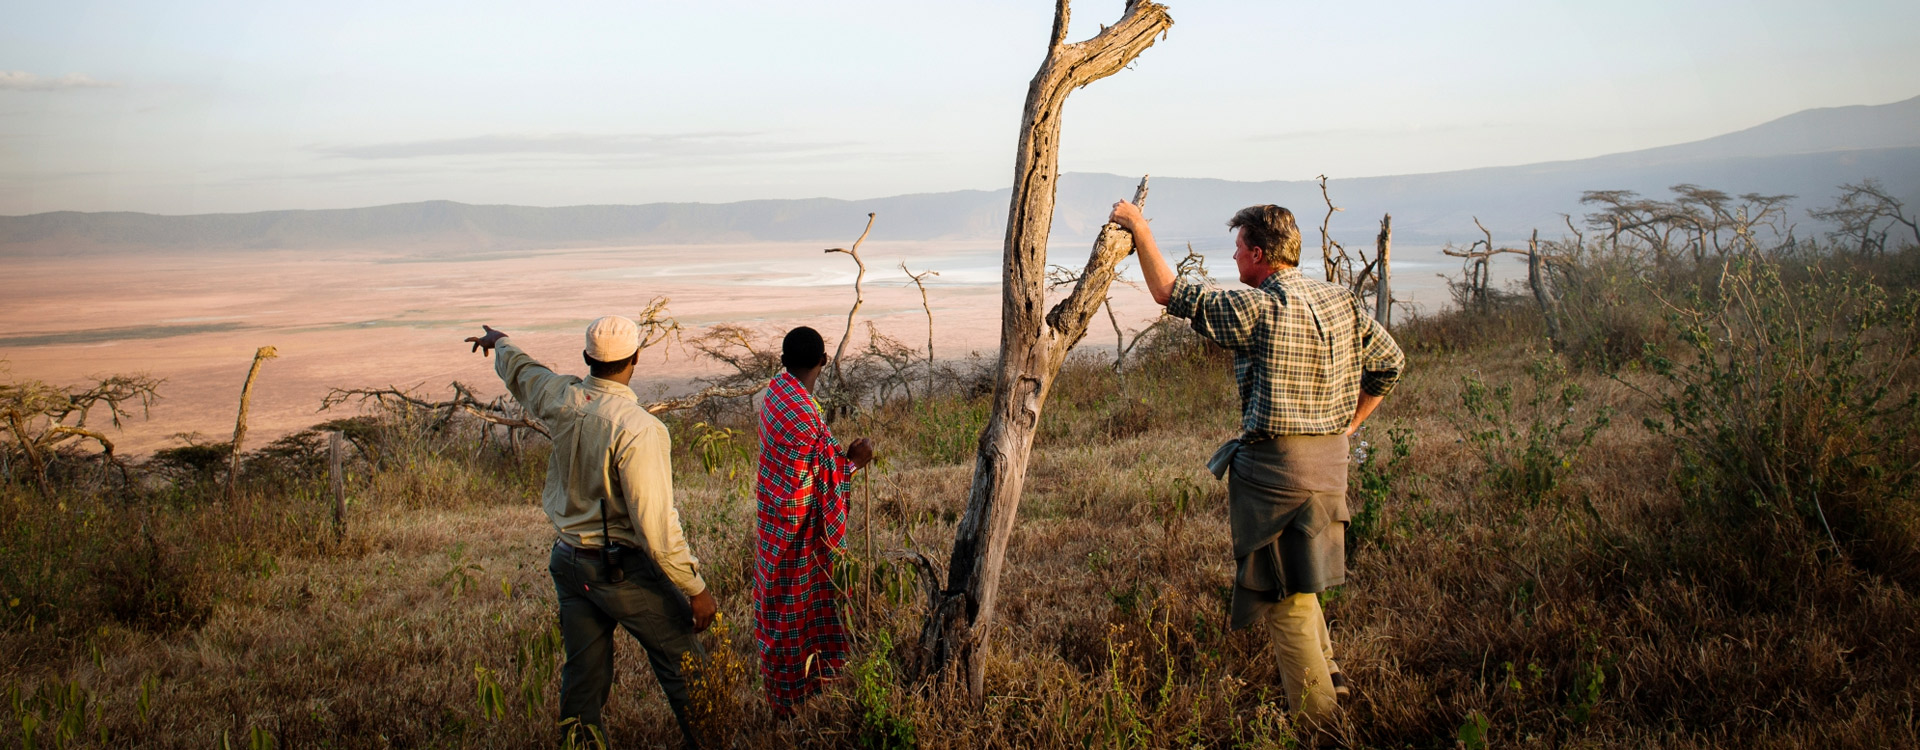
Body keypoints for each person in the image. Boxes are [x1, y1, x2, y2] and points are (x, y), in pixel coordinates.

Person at [1109, 200, 1404, 729]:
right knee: (1301, 578)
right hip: (1331, 467)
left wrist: (1139, 226)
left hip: (1277, 474)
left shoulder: (1259, 307)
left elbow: (1168, 292)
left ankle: (1320, 726)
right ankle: (1333, 681)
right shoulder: (1341, 301)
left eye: (1239, 247)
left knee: (1282, 596)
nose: (1234, 256)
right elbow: (1390, 363)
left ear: (1260, 255)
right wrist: (1350, 425)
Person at [465, 317, 718, 749]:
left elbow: (526, 374)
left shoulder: (562, 397)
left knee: (583, 678)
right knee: (686, 669)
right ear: (636, 358)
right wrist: (695, 588)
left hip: (568, 561)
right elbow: (656, 528)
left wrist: (500, 342)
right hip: (618, 569)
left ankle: (579, 742)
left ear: (586, 357)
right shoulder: (638, 428)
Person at [751, 326, 874, 716]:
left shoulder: (776, 393)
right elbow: (828, 481)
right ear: (823, 361)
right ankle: (801, 695)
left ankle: (787, 693)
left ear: (783, 361)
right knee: (799, 610)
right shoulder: (806, 414)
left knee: (778, 606)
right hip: (798, 531)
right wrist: (853, 463)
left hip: (773, 522)